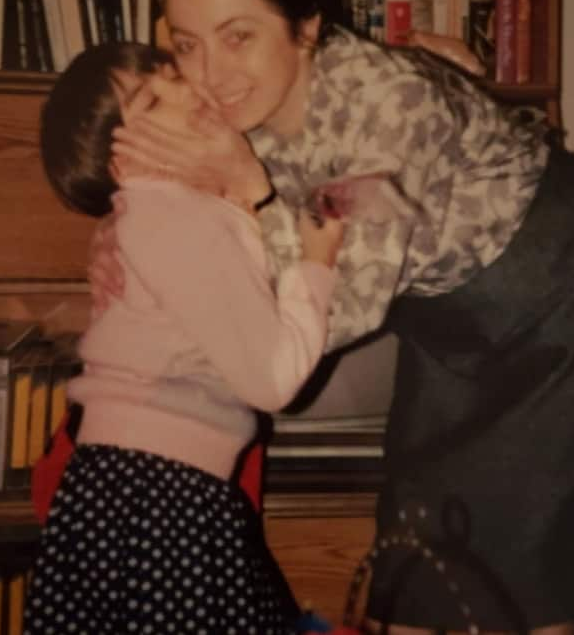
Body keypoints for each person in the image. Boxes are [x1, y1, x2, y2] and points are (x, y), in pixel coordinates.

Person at [98, 0, 574, 634]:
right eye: (186, 45)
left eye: (238, 37)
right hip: (453, 311)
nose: (210, 74)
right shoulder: (243, 111)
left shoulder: (388, 112)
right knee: (417, 559)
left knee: (540, 573)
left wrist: (244, 187)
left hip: (570, 281)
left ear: (308, 24)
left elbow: (331, 306)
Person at [29, 39, 345, 634]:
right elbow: (273, 379)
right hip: (162, 494)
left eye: (168, 72)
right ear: (125, 161)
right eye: (152, 99)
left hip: (145, 487)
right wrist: (318, 261)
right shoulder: (175, 217)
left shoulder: (171, 209)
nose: (187, 90)